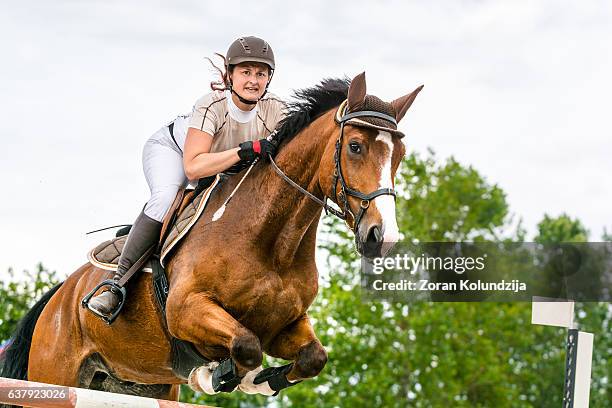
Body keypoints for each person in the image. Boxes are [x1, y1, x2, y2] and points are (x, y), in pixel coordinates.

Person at [87, 36, 285, 319]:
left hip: (221, 167)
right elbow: (193, 168)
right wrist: (245, 152)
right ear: (230, 75)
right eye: (246, 72)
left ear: (269, 79)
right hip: (174, 152)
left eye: (261, 73)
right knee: (167, 197)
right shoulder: (212, 105)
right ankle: (116, 285)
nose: (253, 80)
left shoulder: (276, 109)